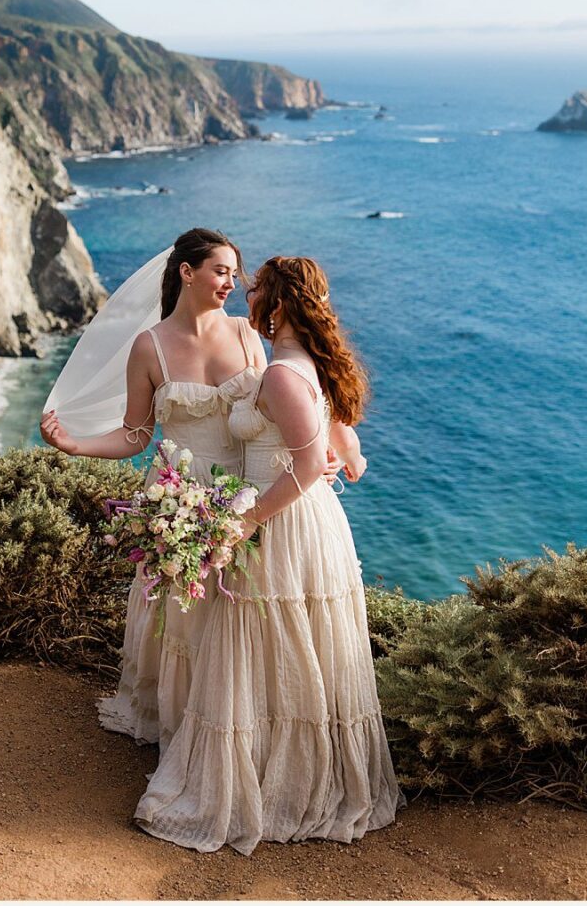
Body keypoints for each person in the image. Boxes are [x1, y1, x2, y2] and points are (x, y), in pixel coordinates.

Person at [130, 255, 404, 854]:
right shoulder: (303, 367)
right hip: (300, 518)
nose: (246, 299)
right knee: (287, 648)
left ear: (276, 306)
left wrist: (240, 522)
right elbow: (346, 458)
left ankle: (268, 784)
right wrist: (337, 462)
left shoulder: (283, 374)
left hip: (278, 524)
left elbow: (307, 465)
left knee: (262, 641)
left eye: (256, 292)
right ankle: (274, 768)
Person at [41, 228, 265, 747]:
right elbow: (136, 434)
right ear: (187, 272)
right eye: (221, 270)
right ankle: (182, 724)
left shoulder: (246, 335)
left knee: (236, 609)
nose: (232, 282)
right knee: (182, 611)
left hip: (243, 496)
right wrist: (76, 446)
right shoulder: (150, 346)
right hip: (174, 494)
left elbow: (273, 412)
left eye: (235, 272)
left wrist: (314, 451)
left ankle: (230, 726)